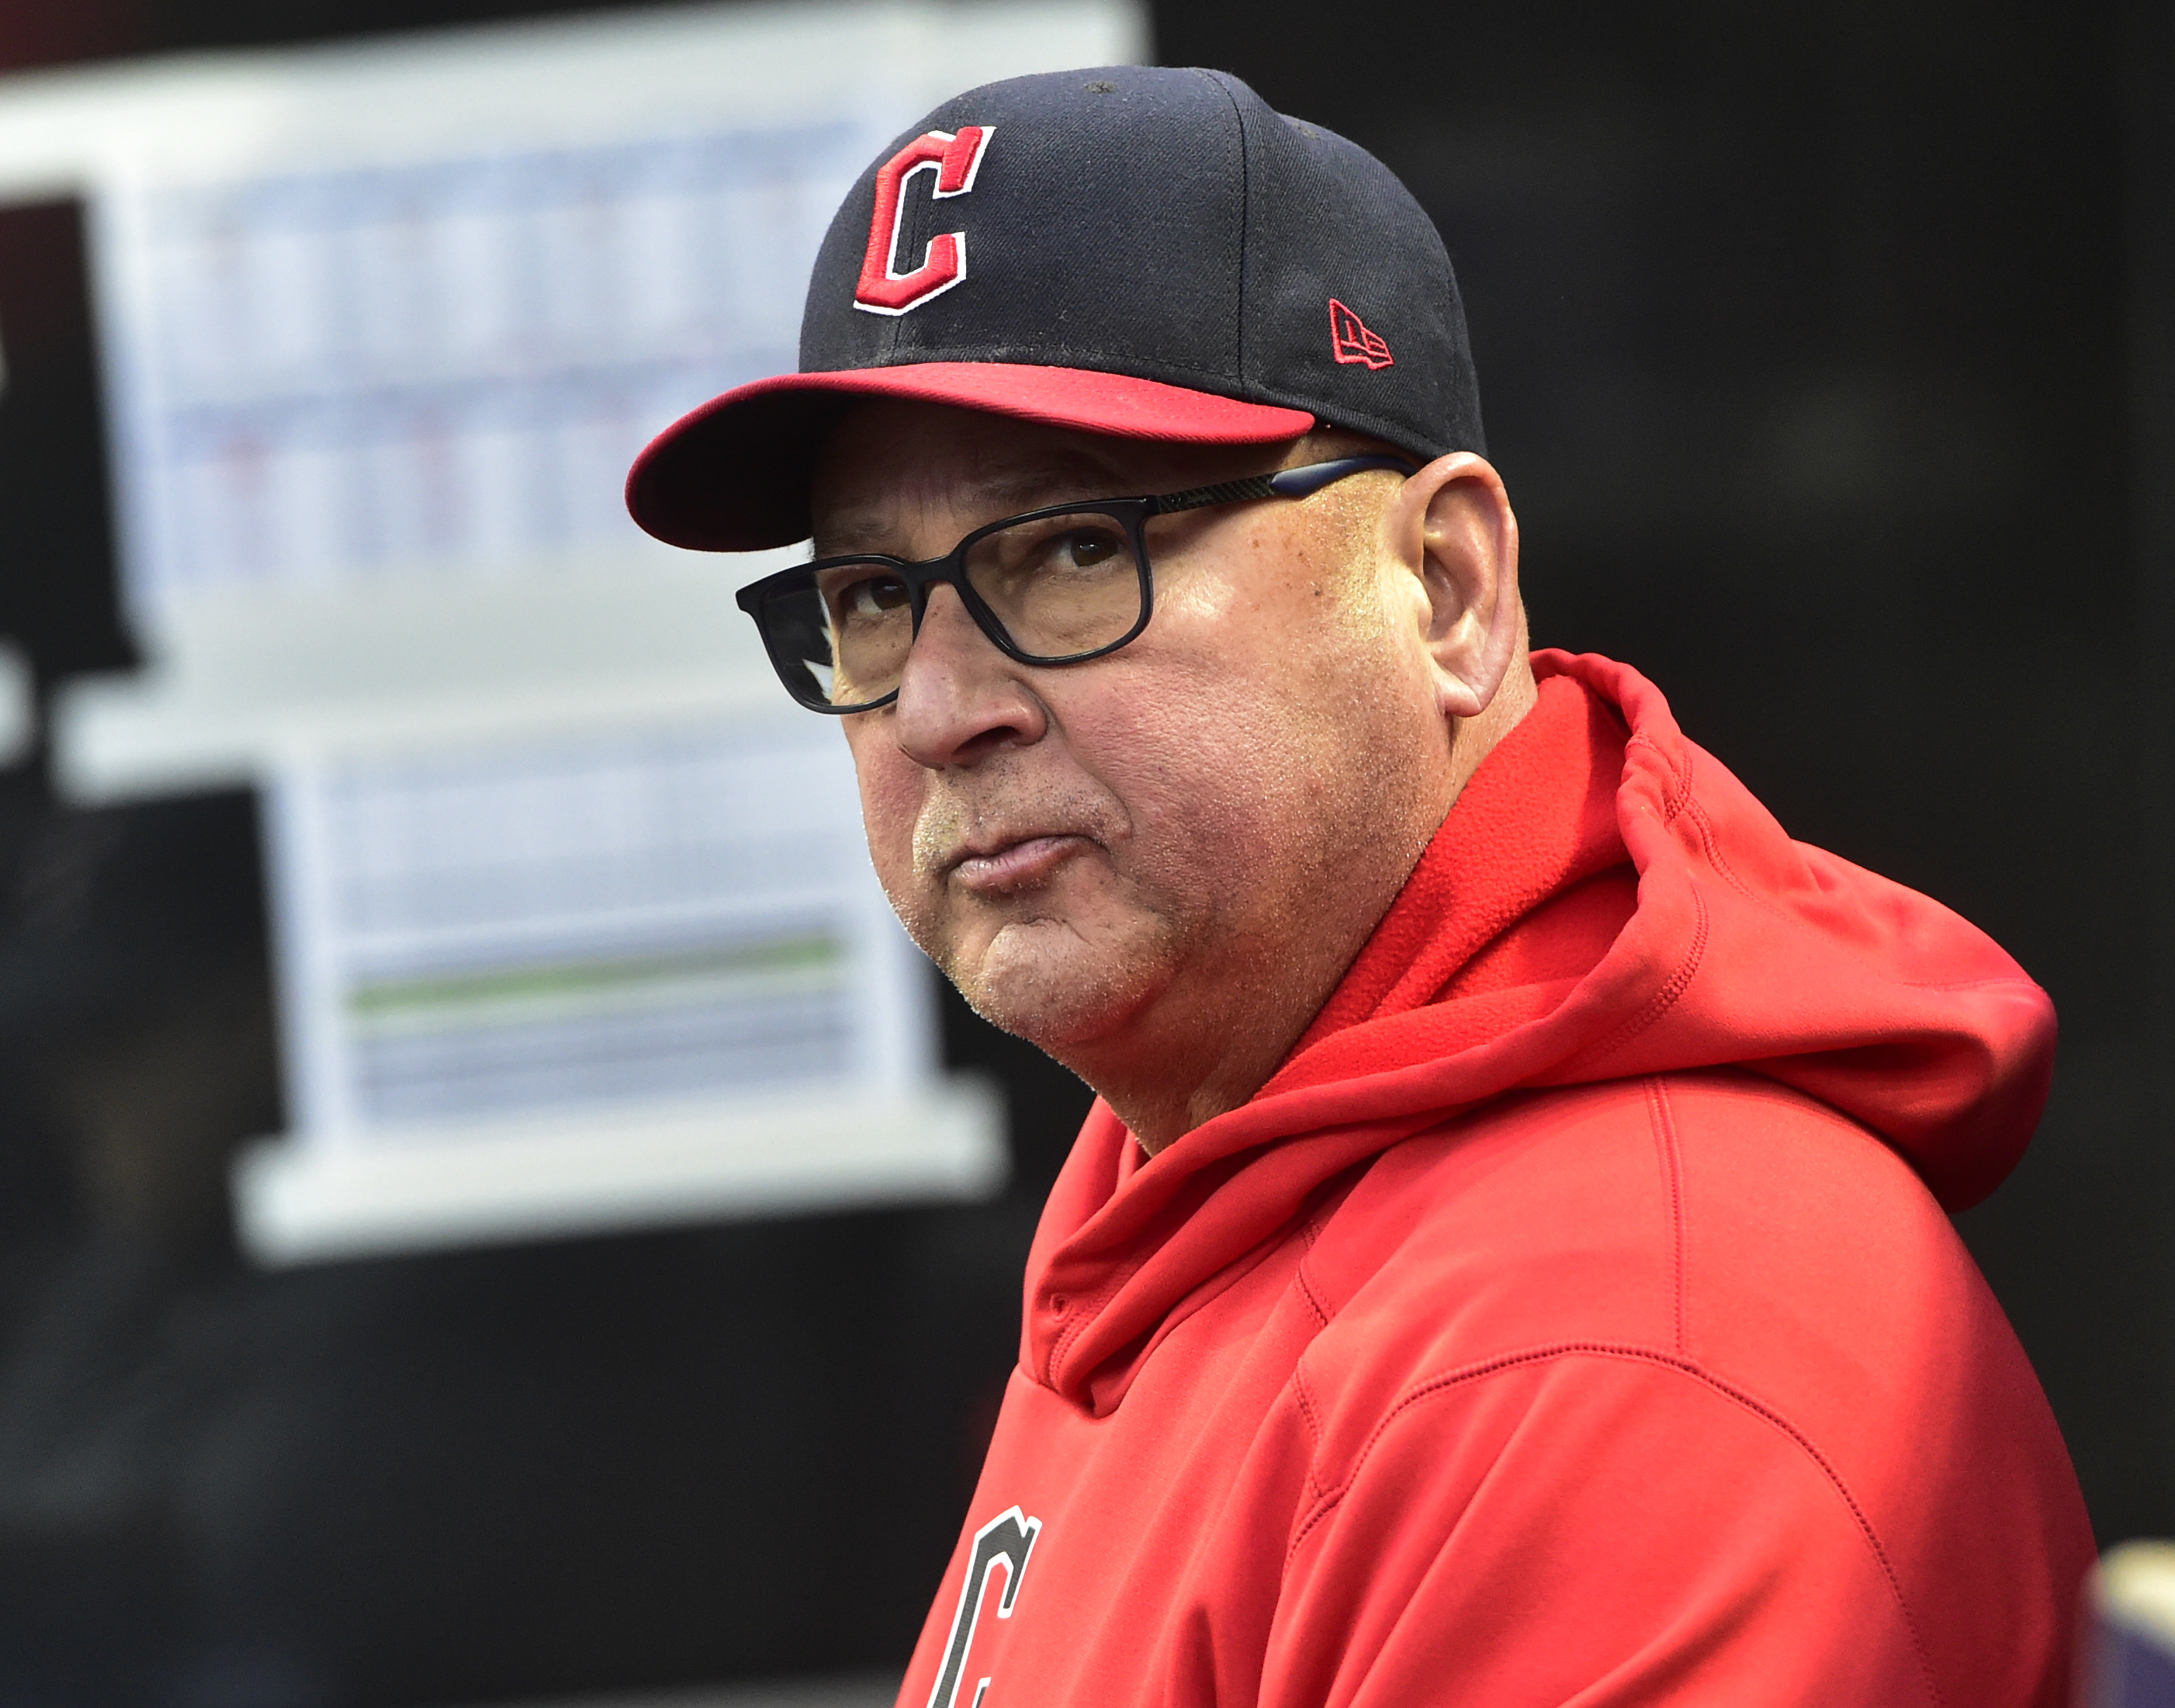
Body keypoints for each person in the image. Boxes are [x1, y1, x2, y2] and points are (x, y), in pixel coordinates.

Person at [625, 64, 2094, 1708]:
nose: (938, 705)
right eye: (871, 595)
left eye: (1077, 547)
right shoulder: (1189, 1159)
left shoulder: (1610, 1332)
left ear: (1444, 588)